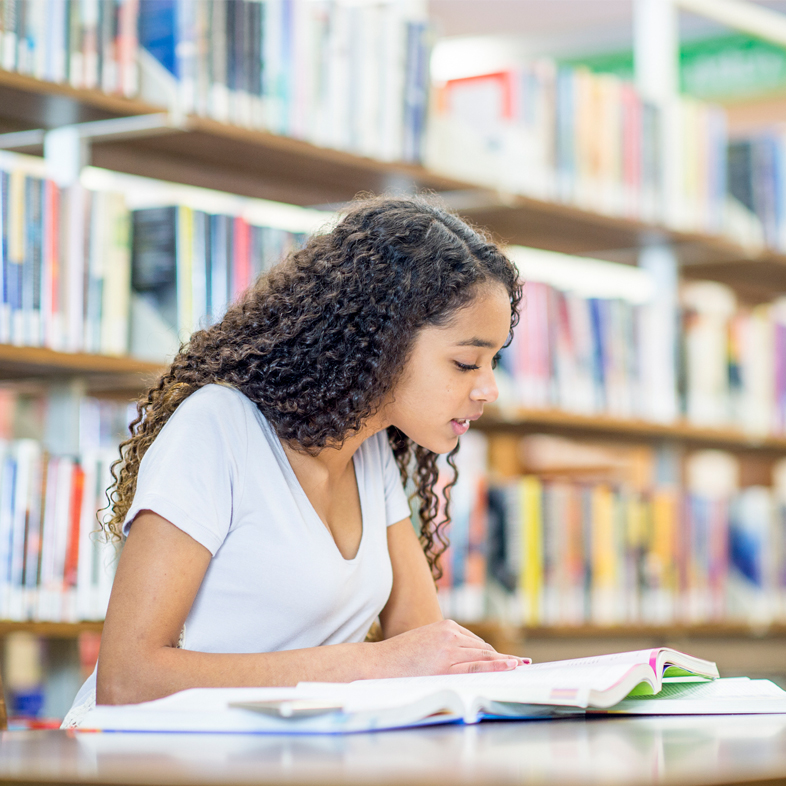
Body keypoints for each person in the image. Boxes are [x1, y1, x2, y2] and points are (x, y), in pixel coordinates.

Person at [63, 196, 524, 726]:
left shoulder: (371, 452)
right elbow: (126, 680)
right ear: (383, 340)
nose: (488, 388)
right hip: (143, 756)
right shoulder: (217, 427)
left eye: (494, 361)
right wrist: (371, 665)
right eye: (466, 362)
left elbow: (421, 646)